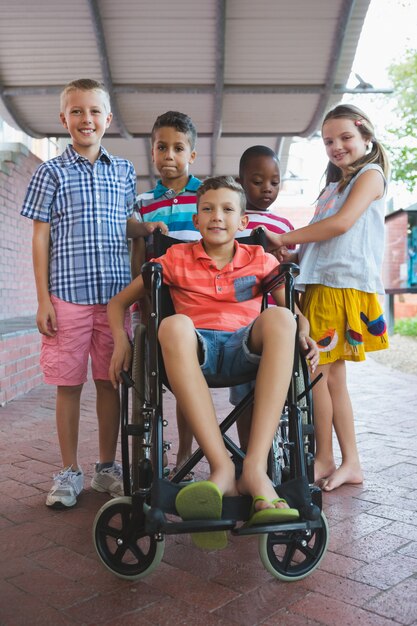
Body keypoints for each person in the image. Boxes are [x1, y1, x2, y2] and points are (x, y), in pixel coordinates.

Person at [108, 176, 319, 549]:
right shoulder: (174, 258)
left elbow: (293, 310)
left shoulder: (259, 259)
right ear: (195, 218)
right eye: (207, 208)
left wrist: (304, 330)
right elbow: (118, 303)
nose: (216, 216)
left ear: (243, 222)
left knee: (281, 319)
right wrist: (122, 343)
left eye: (226, 209)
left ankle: (253, 469)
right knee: (172, 325)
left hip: (245, 348)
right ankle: (221, 467)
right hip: (196, 349)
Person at [21, 78, 167, 509]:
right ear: (64, 119)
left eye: (94, 111)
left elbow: (123, 223)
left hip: (112, 300)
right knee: (68, 386)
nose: (87, 119)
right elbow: (40, 238)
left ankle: (106, 468)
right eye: (77, 111)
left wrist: (146, 227)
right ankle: (68, 471)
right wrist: (43, 298)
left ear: (108, 118)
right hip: (66, 297)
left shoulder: (122, 171)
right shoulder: (50, 172)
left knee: (109, 383)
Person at [262, 104, 390, 492]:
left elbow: (341, 225)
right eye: (329, 141)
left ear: (366, 136)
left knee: (318, 376)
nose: (337, 147)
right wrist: (295, 254)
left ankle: (327, 457)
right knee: (330, 379)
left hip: (339, 287)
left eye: (346, 138)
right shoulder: (334, 186)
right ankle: (345, 460)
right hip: (321, 285)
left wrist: (284, 237)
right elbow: (326, 239)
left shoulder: (370, 176)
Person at [131, 111, 201, 480]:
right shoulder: (144, 202)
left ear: (192, 155)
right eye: (162, 147)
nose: (169, 155)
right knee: (160, 383)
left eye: (178, 148)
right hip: (158, 304)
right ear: (152, 151)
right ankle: (153, 452)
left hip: (199, 304)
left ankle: (185, 458)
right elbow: (135, 251)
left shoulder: (207, 197)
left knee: (189, 381)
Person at [231, 145, 295, 448]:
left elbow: (292, 268)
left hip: (275, 321)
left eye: (274, 181)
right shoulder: (232, 220)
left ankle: (270, 450)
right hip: (240, 322)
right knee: (243, 395)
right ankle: (245, 453)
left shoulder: (284, 227)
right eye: (257, 181)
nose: (267, 188)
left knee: (273, 391)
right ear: (241, 181)